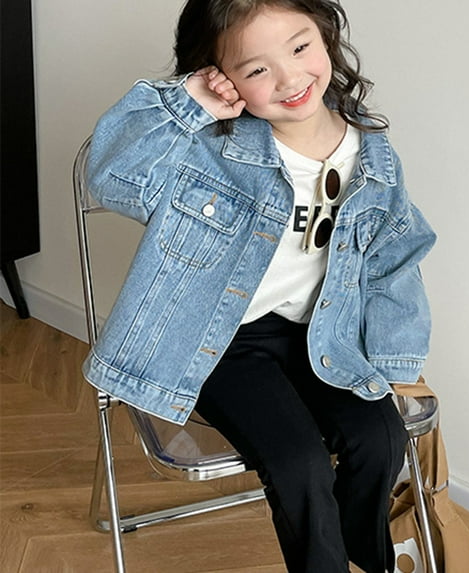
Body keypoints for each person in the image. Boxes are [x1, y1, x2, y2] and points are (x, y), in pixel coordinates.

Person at [83, 1, 436, 571]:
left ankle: (364, 557)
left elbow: (393, 259)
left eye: (299, 47)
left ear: (325, 34)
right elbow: (112, 178)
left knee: (382, 439)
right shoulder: (208, 150)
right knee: (300, 463)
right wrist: (190, 102)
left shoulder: (372, 155)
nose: (290, 78)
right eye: (256, 69)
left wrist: (395, 359)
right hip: (217, 340)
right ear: (221, 76)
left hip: (320, 333)